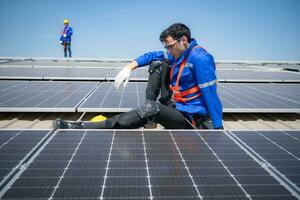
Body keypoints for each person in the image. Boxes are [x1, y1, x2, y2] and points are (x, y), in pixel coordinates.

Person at [53, 23, 223, 129]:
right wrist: (129, 68)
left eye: (170, 46)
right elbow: (151, 55)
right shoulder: (178, 54)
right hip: (176, 105)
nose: (168, 50)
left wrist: (218, 128)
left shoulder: (200, 58)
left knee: (151, 109)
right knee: (158, 63)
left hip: (190, 117)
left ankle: (83, 126)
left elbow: (211, 94)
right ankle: (149, 112)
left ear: (184, 40)